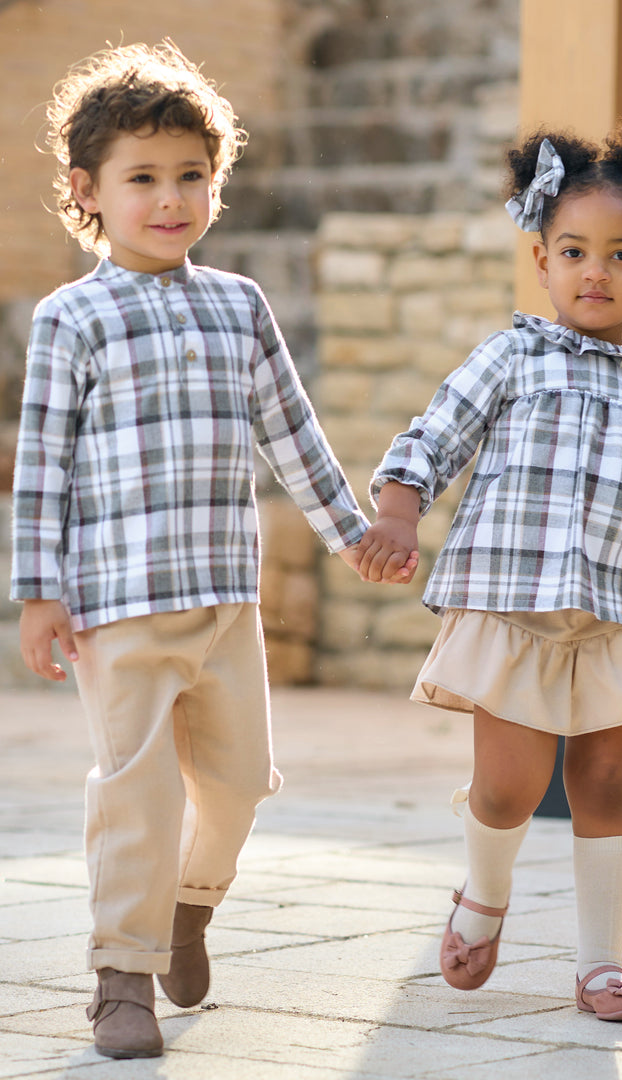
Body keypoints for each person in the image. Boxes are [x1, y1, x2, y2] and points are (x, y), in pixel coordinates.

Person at [10, 41, 414, 1060]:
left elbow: (293, 434)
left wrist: (352, 532)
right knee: (135, 792)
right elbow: (43, 466)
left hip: (227, 601)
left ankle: (191, 908)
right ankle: (120, 977)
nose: (170, 198)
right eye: (142, 178)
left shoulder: (239, 307)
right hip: (118, 605)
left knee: (237, 785)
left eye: (191, 175)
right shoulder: (72, 319)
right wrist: (38, 595)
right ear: (87, 192)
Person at [355, 104, 622, 1022]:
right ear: (543, 258)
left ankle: (603, 963)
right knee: (512, 786)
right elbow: (435, 436)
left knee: (605, 782)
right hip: (513, 599)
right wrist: (399, 508)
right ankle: (484, 892)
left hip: (617, 609)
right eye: (575, 250)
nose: (597, 270)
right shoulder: (511, 355)